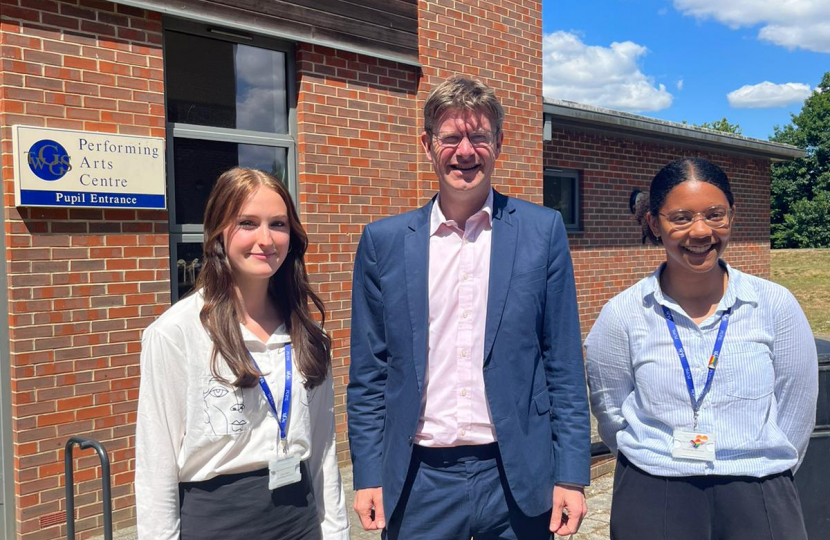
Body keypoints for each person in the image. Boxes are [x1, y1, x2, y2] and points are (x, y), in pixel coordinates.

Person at [347, 75, 591, 540]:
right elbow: (370, 371)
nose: (465, 151)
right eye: (451, 137)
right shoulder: (384, 242)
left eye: (479, 137)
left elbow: (562, 361)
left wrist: (572, 473)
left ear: (498, 143)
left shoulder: (542, 232)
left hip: (517, 473)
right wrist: (368, 472)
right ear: (427, 144)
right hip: (419, 482)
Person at [585, 157, 818, 540]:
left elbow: (797, 409)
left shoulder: (774, 304)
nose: (700, 231)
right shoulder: (623, 314)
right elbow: (611, 411)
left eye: (715, 215)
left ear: (731, 217)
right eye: (680, 218)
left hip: (758, 490)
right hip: (656, 492)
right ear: (653, 223)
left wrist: (759, 465)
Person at [135, 167, 349, 540]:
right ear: (218, 230)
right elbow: (156, 463)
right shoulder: (175, 333)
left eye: (278, 224)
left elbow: (323, 450)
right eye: (247, 223)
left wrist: (336, 531)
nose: (265, 239)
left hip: (298, 521)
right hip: (217, 523)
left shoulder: (308, 334)